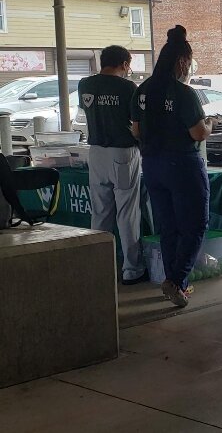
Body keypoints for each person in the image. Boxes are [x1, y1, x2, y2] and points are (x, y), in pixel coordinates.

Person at [131, 25, 214, 307]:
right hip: (183, 165)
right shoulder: (183, 93)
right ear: (181, 61)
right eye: (189, 63)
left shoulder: (142, 90)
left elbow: (136, 131)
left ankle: (175, 281)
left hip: (152, 164)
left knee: (168, 226)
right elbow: (198, 133)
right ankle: (177, 280)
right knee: (195, 224)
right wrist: (211, 125)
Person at [78, 45, 144, 284]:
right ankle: (131, 269)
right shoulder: (128, 88)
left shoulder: (85, 84)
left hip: (95, 153)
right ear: (125, 64)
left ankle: (99, 266)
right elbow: (137, 125)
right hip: (123, 153)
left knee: (100, 212)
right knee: (127, 212)